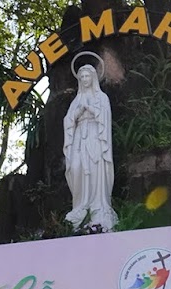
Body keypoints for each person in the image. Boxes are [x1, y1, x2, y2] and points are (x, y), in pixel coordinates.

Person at [62, 62, 117, 231]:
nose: (85, 79)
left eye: (87, 76)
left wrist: (91, 108)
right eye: (82, 77)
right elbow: (68, 120)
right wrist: (78, 112)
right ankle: (80, 206)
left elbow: (105, 117)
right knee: (75, 167)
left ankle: (97, 206)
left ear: (93, 78)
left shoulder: (102, 97)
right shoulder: (77, 99)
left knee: (95, 169)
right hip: (79, 136)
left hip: (95, 134)